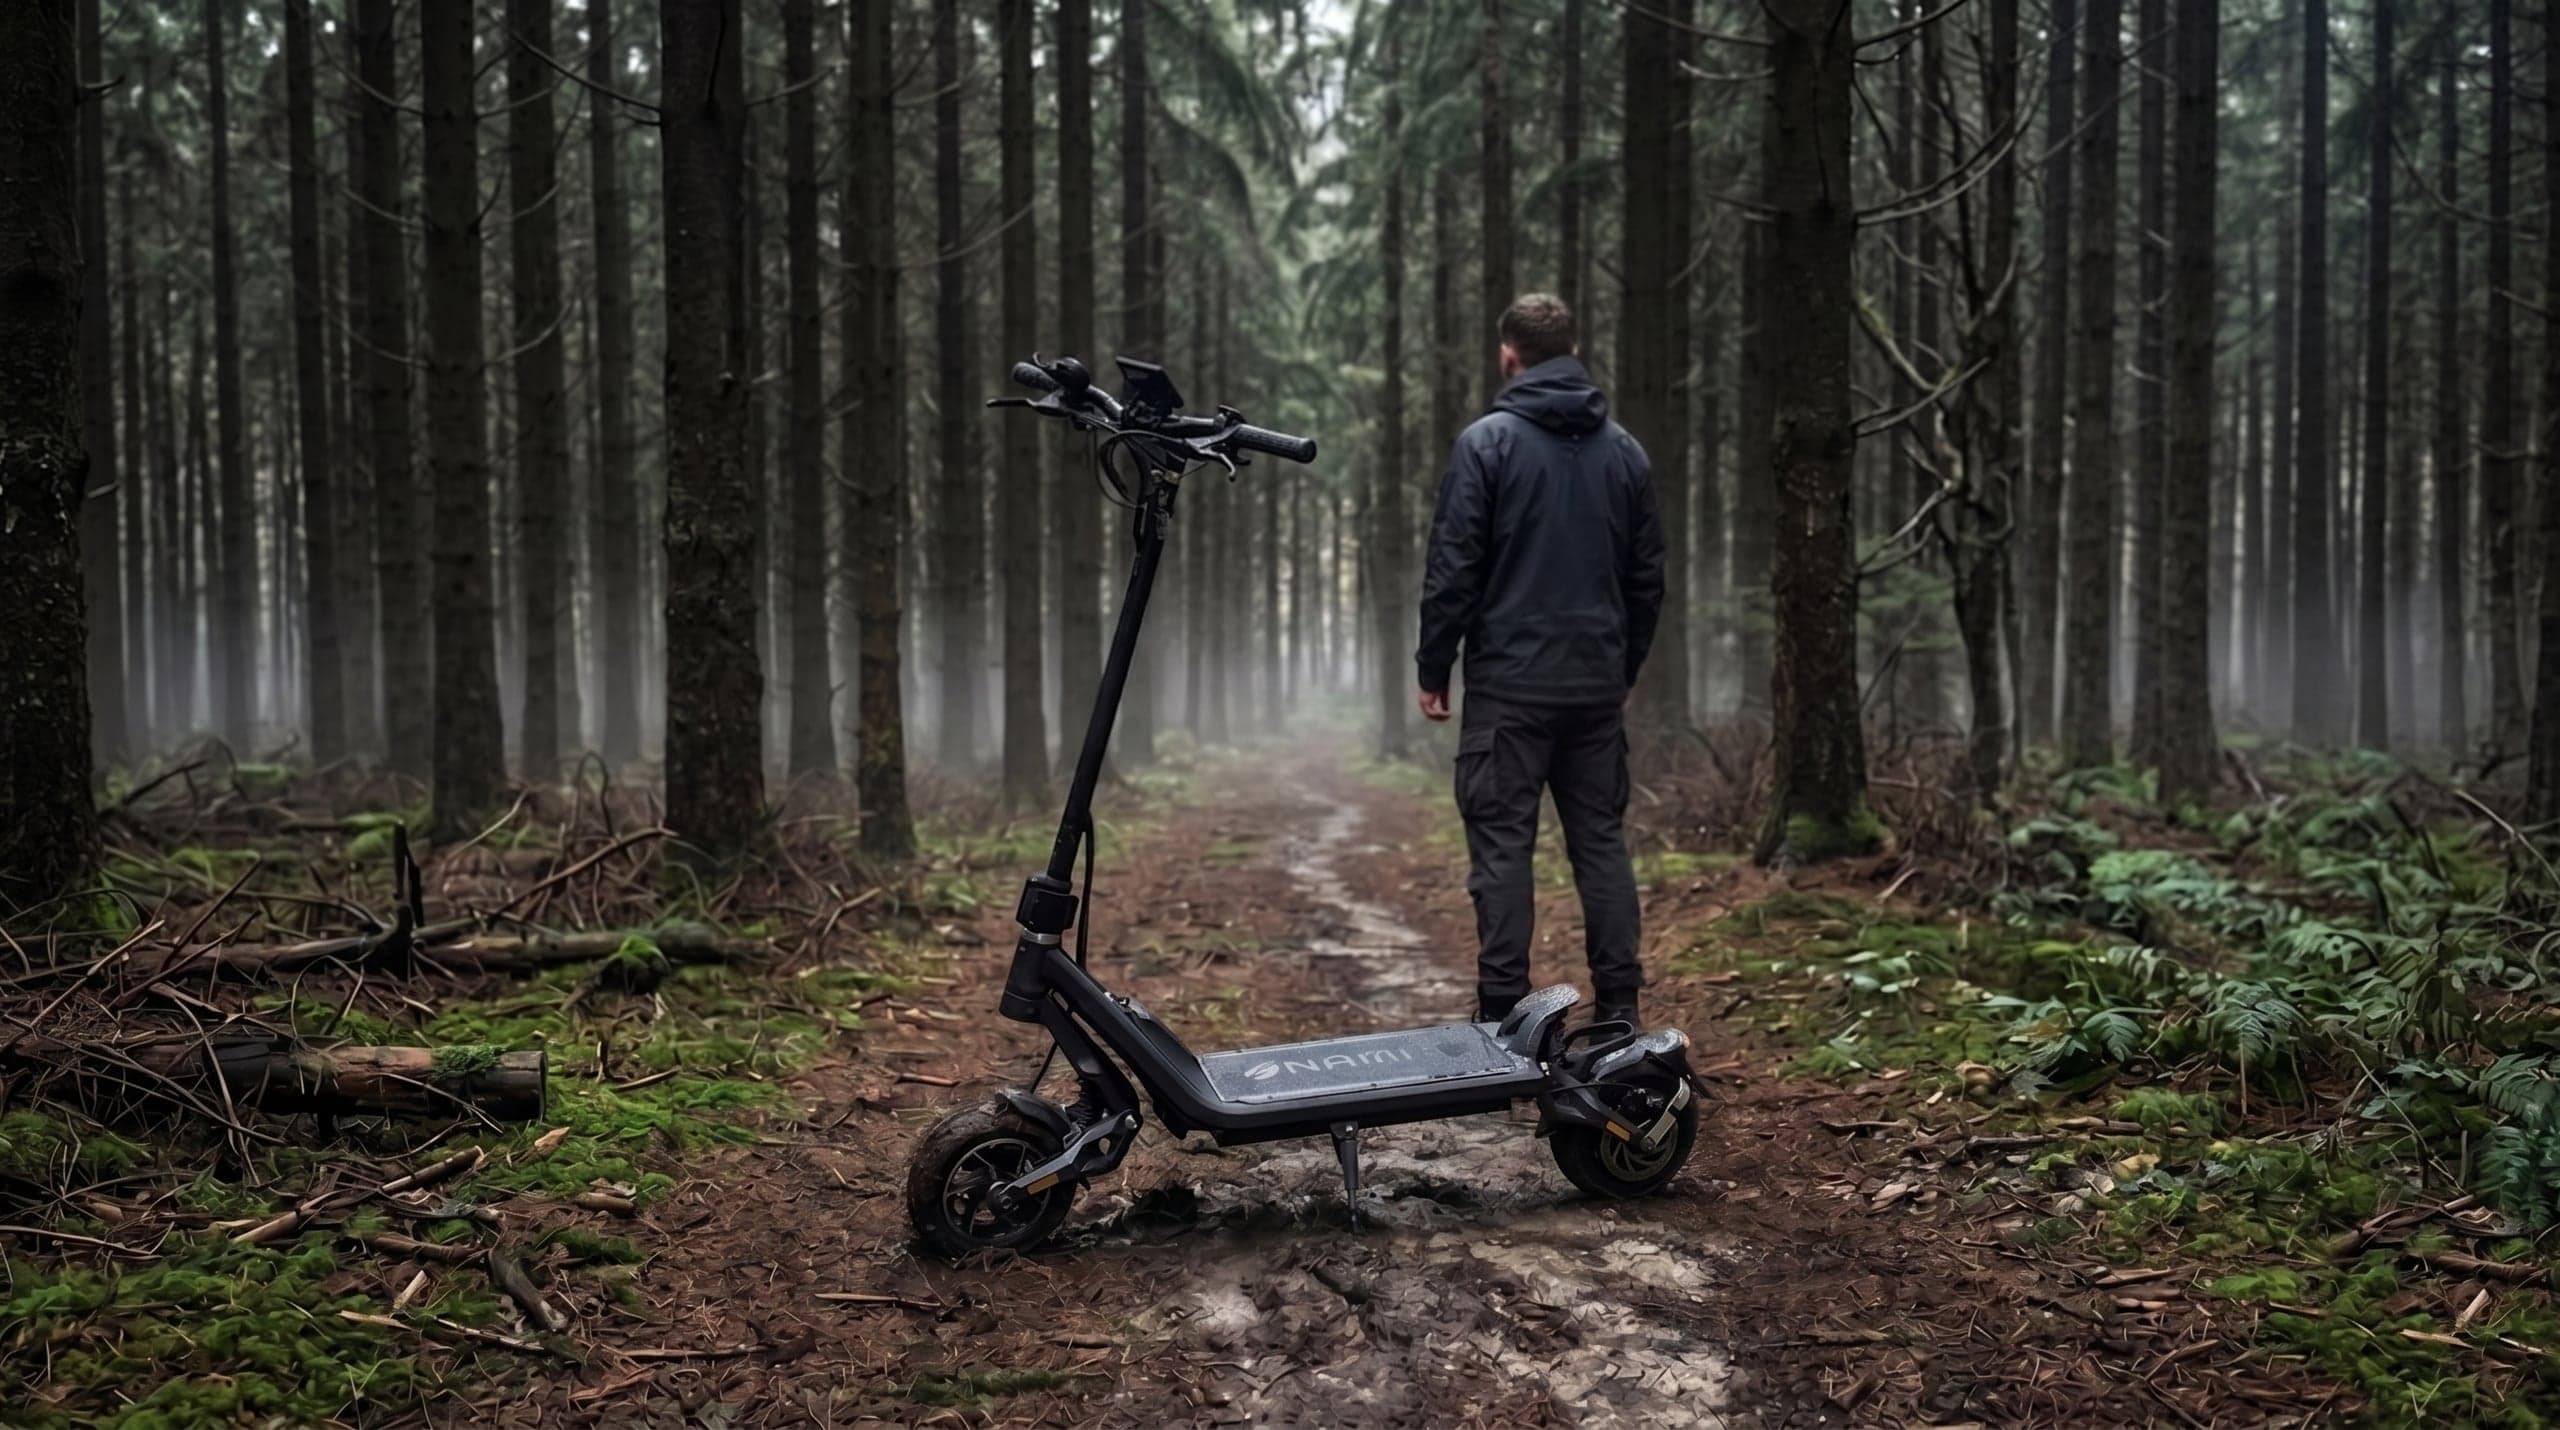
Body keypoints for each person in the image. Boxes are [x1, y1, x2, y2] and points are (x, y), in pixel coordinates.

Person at [1415, 293, 1666, 1030]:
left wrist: (1435, 667)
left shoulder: (1485, 445)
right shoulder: (1625, 451)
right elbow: (1647, 578)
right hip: (1592, 688)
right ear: (1574, 350)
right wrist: (1624, 670)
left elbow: (1452, 568)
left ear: (1508, 355)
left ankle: (1503, 1019)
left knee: (1501, 850)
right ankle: (1619, 1010)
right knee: (1599, 847)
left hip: (1508, 691)